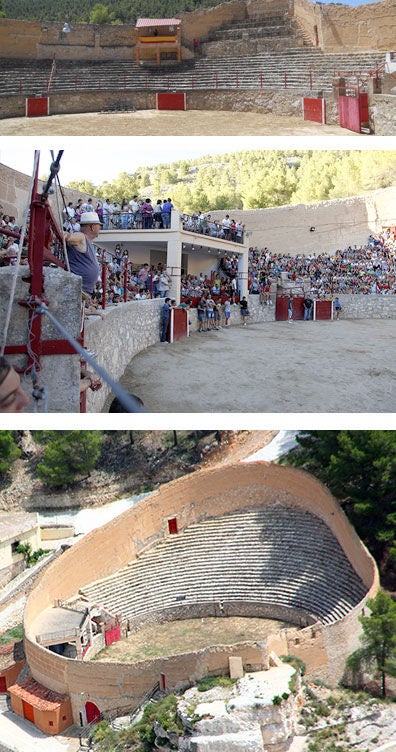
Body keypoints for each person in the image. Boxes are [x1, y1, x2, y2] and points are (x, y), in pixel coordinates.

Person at [65, 211, 101, 295]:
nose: (100, 229)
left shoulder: (88, 241)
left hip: (82, 290)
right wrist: (67, 236)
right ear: (92, 227)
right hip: (77, 289)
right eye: (99, 226)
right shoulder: (81, 236)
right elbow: (71, 237)